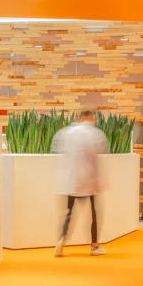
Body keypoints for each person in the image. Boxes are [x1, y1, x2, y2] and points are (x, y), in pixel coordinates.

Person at [51, 110, 108, 257]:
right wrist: (98, 181)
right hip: (88, 180)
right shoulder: (95, 134)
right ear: (89, 117)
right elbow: (95, 159)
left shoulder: (66, 133)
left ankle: (61, 239)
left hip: (71, 180)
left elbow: (60, 154)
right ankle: (94, 246)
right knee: (93, 214)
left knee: (69, 213)